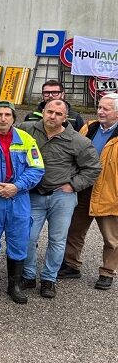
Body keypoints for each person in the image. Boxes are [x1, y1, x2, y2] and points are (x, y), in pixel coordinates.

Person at [18, 99, 101, 298]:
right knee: (27, 237)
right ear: (43, 112)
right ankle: (28, 275)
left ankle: (49, 279)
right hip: (34, 195)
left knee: (57, 240)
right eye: (49, 112)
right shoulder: (26, 130)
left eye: (58, 114)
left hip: (61, 197)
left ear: (65, 118)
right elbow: (2, 129)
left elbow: (93, 168)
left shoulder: (78, 141)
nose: (52, 116)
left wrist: (73, 185)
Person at [0, 101, 45, 304]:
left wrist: (17, 186)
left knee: (19, 240)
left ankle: (14, 285)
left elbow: (37, 168)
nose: (3, 119)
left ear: (14, 118)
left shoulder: (26, 139)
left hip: (18, 198)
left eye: (7, 115)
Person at [61, 93, 118, 290]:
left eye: (105, 109)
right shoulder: (89, 127)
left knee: (111, 238)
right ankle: (71, 265)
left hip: (110, 192)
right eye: (99, 107)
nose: (100, 111)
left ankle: (107, 272)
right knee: (74, 230)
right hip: (84, 187)